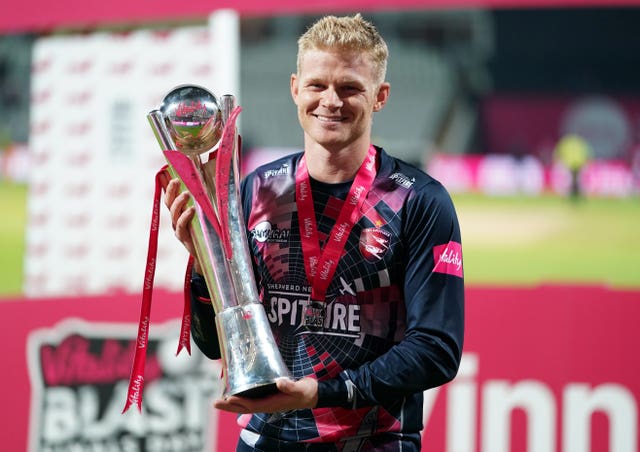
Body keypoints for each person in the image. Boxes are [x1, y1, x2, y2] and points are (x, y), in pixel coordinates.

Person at [164, 14, 464, 451]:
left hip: (373, 442)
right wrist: (203, 263)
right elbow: (214, 345)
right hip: (266, 440)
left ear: (380, 96)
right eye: (317, 85)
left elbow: (437, 349)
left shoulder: (418, 201)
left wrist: (321, 392)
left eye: (349, 88)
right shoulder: (257, 191)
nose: (331, 101)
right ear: (294, 88)